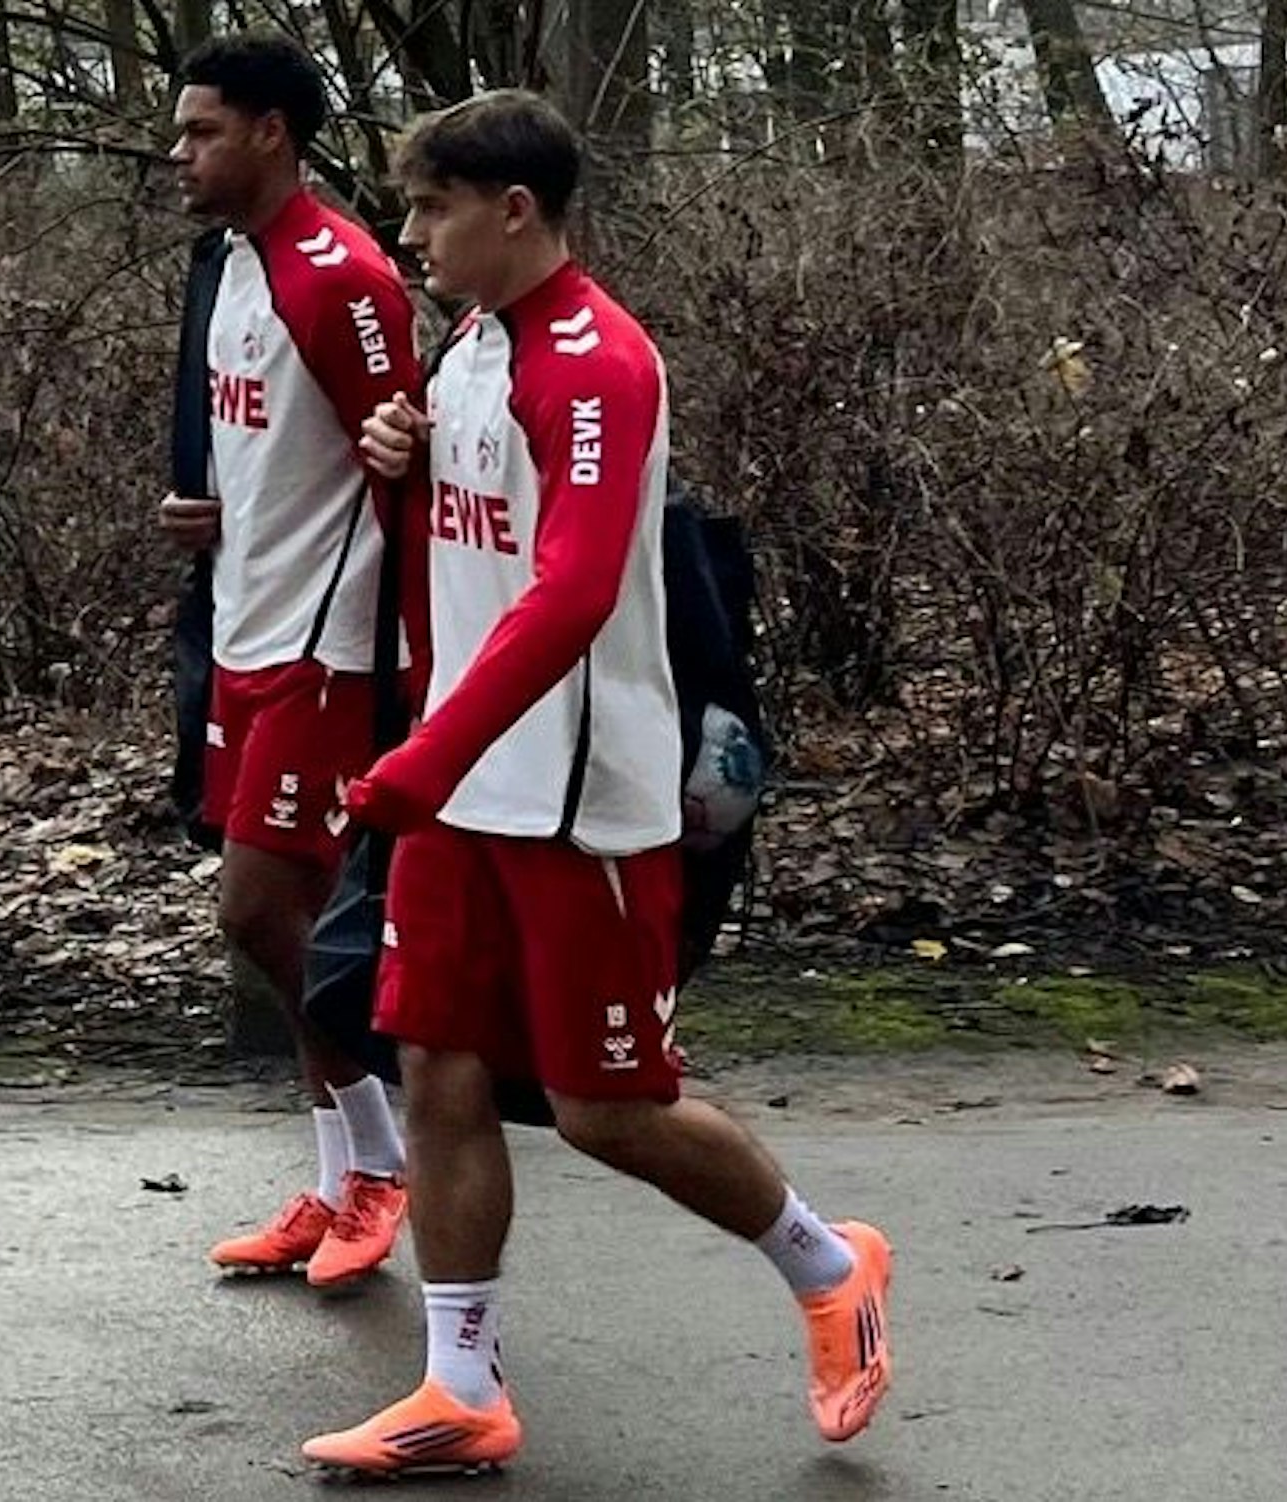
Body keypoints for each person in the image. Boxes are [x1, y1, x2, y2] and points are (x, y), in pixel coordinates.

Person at [299, 91, 895, 1475]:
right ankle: (461, 1383)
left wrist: (417, 760)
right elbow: (469, 551)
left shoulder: (600, 362)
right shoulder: (471, 344)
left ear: (515, 210)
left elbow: (568, 595)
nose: (412, 235)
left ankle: (828, 1262)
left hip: (579, 800)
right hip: (460, 794)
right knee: (434, 1060)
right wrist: (402, 467)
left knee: (604, 1104)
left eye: (433, 208)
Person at [161, 33, 424, 1290]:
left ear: (272, 132)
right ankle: (337, 1179)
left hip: (332, 640)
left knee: (261, 907)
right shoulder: (228, 265)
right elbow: (279, 442)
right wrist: (212, 512)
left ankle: (379, 1165)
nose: (179, 152)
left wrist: (408, 649)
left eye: (202, 129)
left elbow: (407, 458)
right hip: (245, 622)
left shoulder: (342, 275)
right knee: (276, 924)